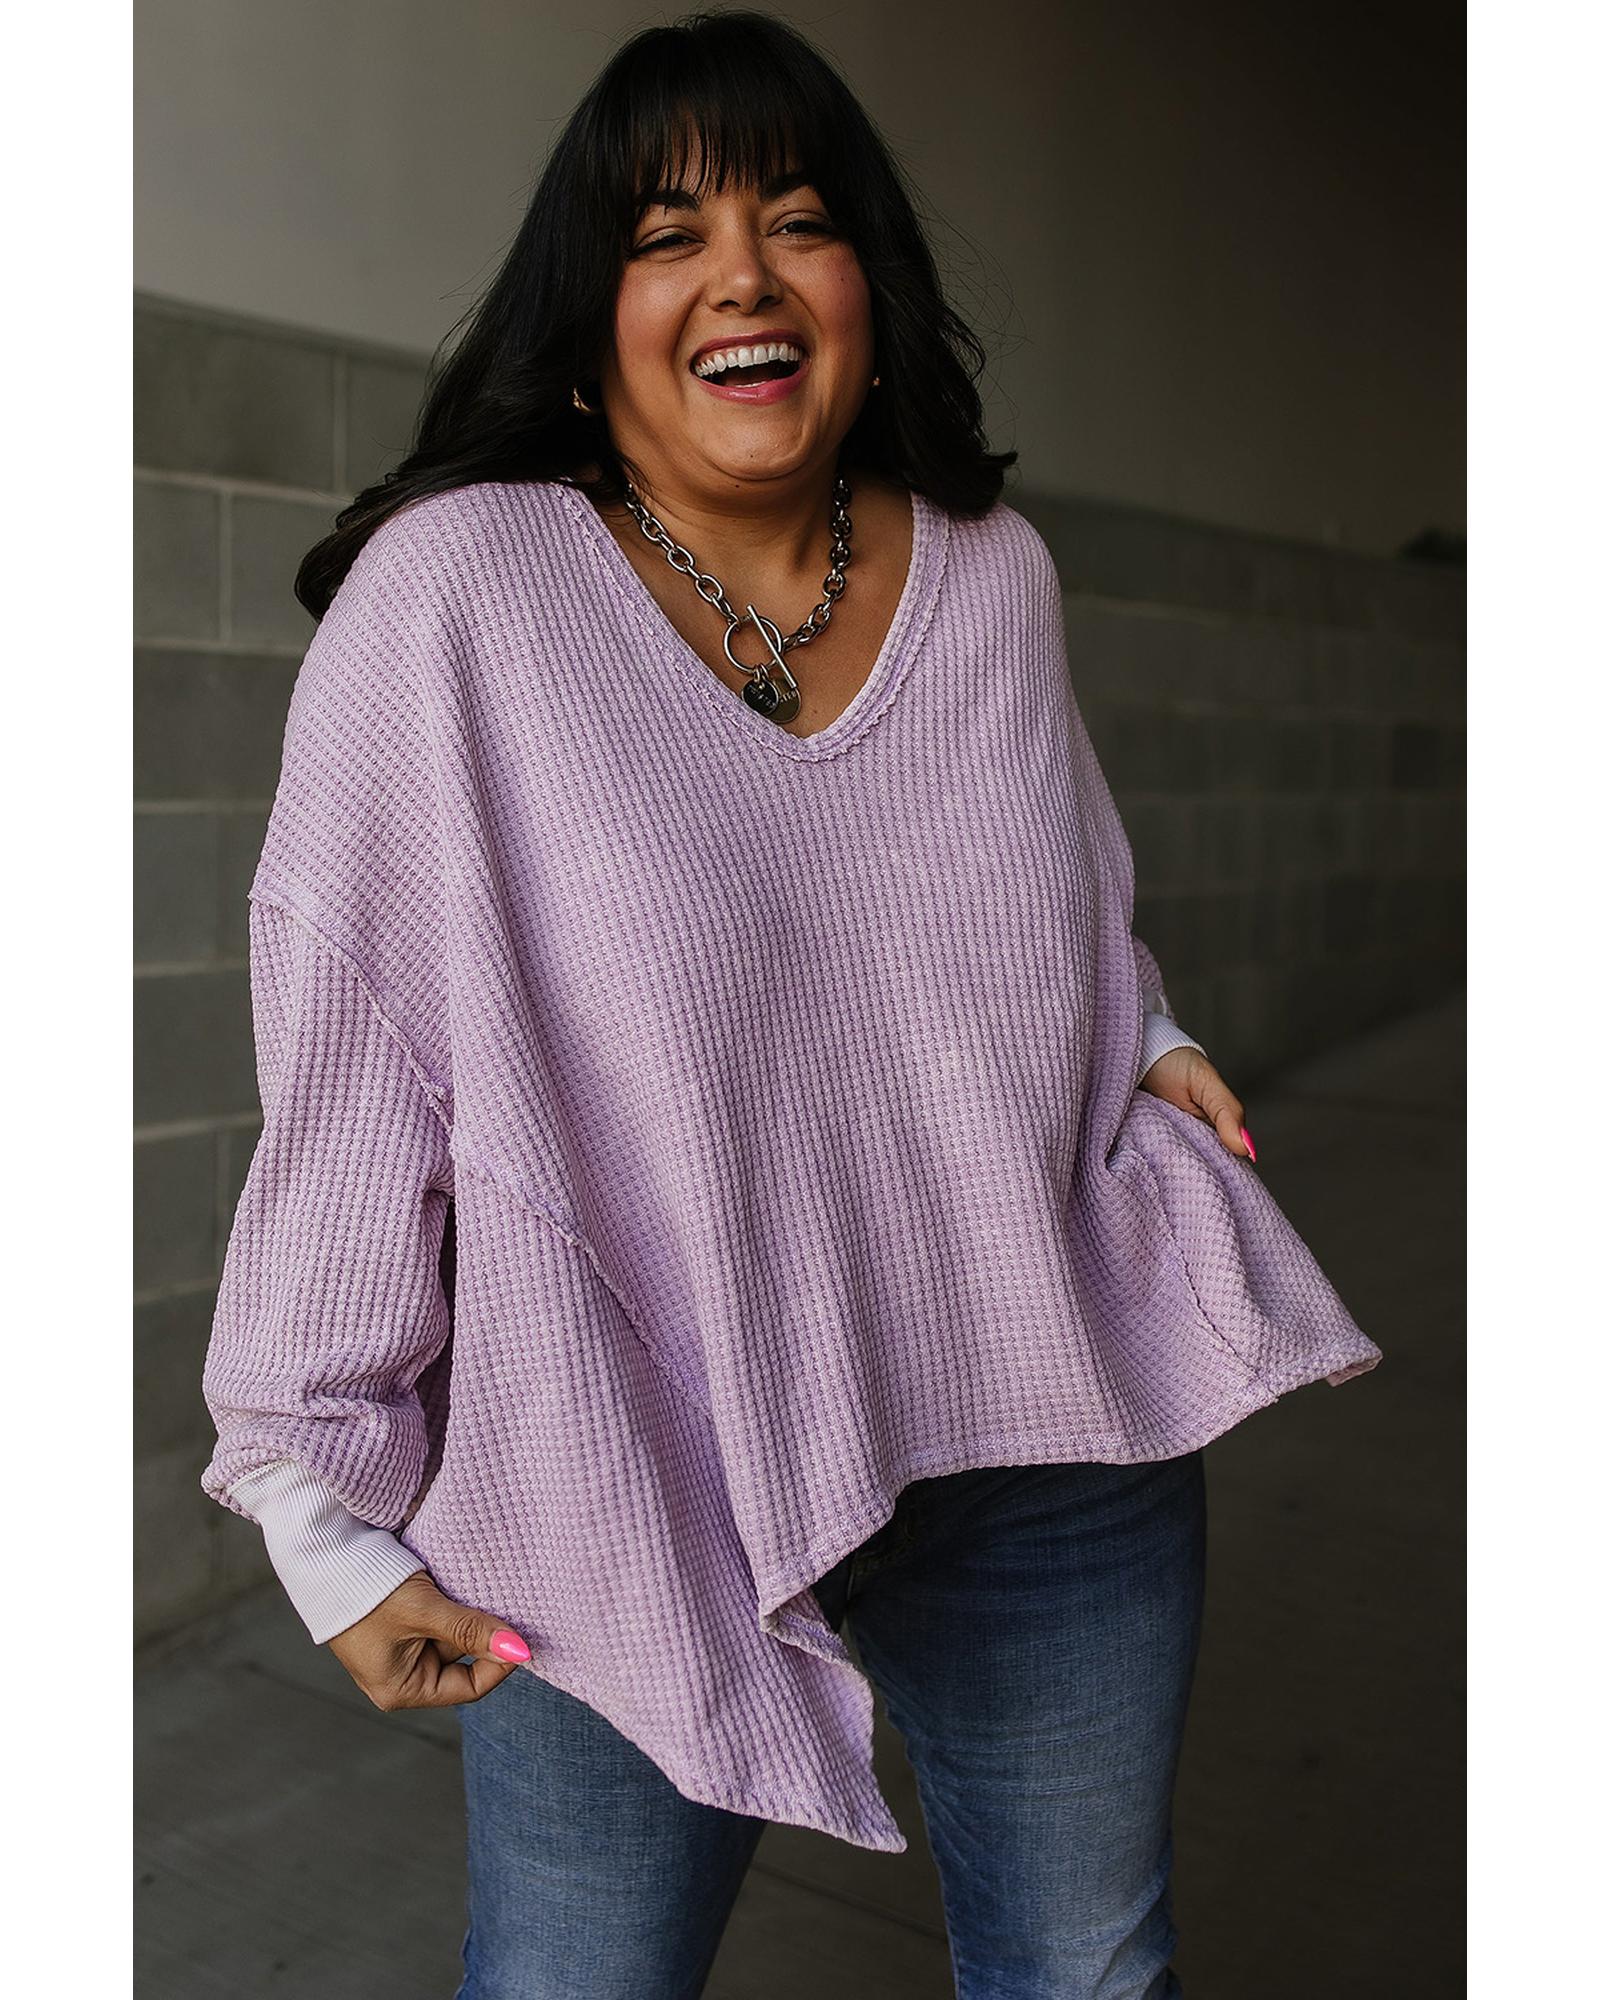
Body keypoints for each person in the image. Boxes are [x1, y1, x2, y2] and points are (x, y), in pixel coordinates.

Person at [197, 11, 1382, 1996]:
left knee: (1089, 1971)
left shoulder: (990, 576)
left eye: (798, 223)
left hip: (1044, 1417)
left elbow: (1050, 898)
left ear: (865, 290)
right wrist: (326, 1520)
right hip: (631, 1451)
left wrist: (1146, 1032)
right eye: (666, 236)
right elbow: (354, 1051)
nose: (741, 275)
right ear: (589, 312)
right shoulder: (456, 597)